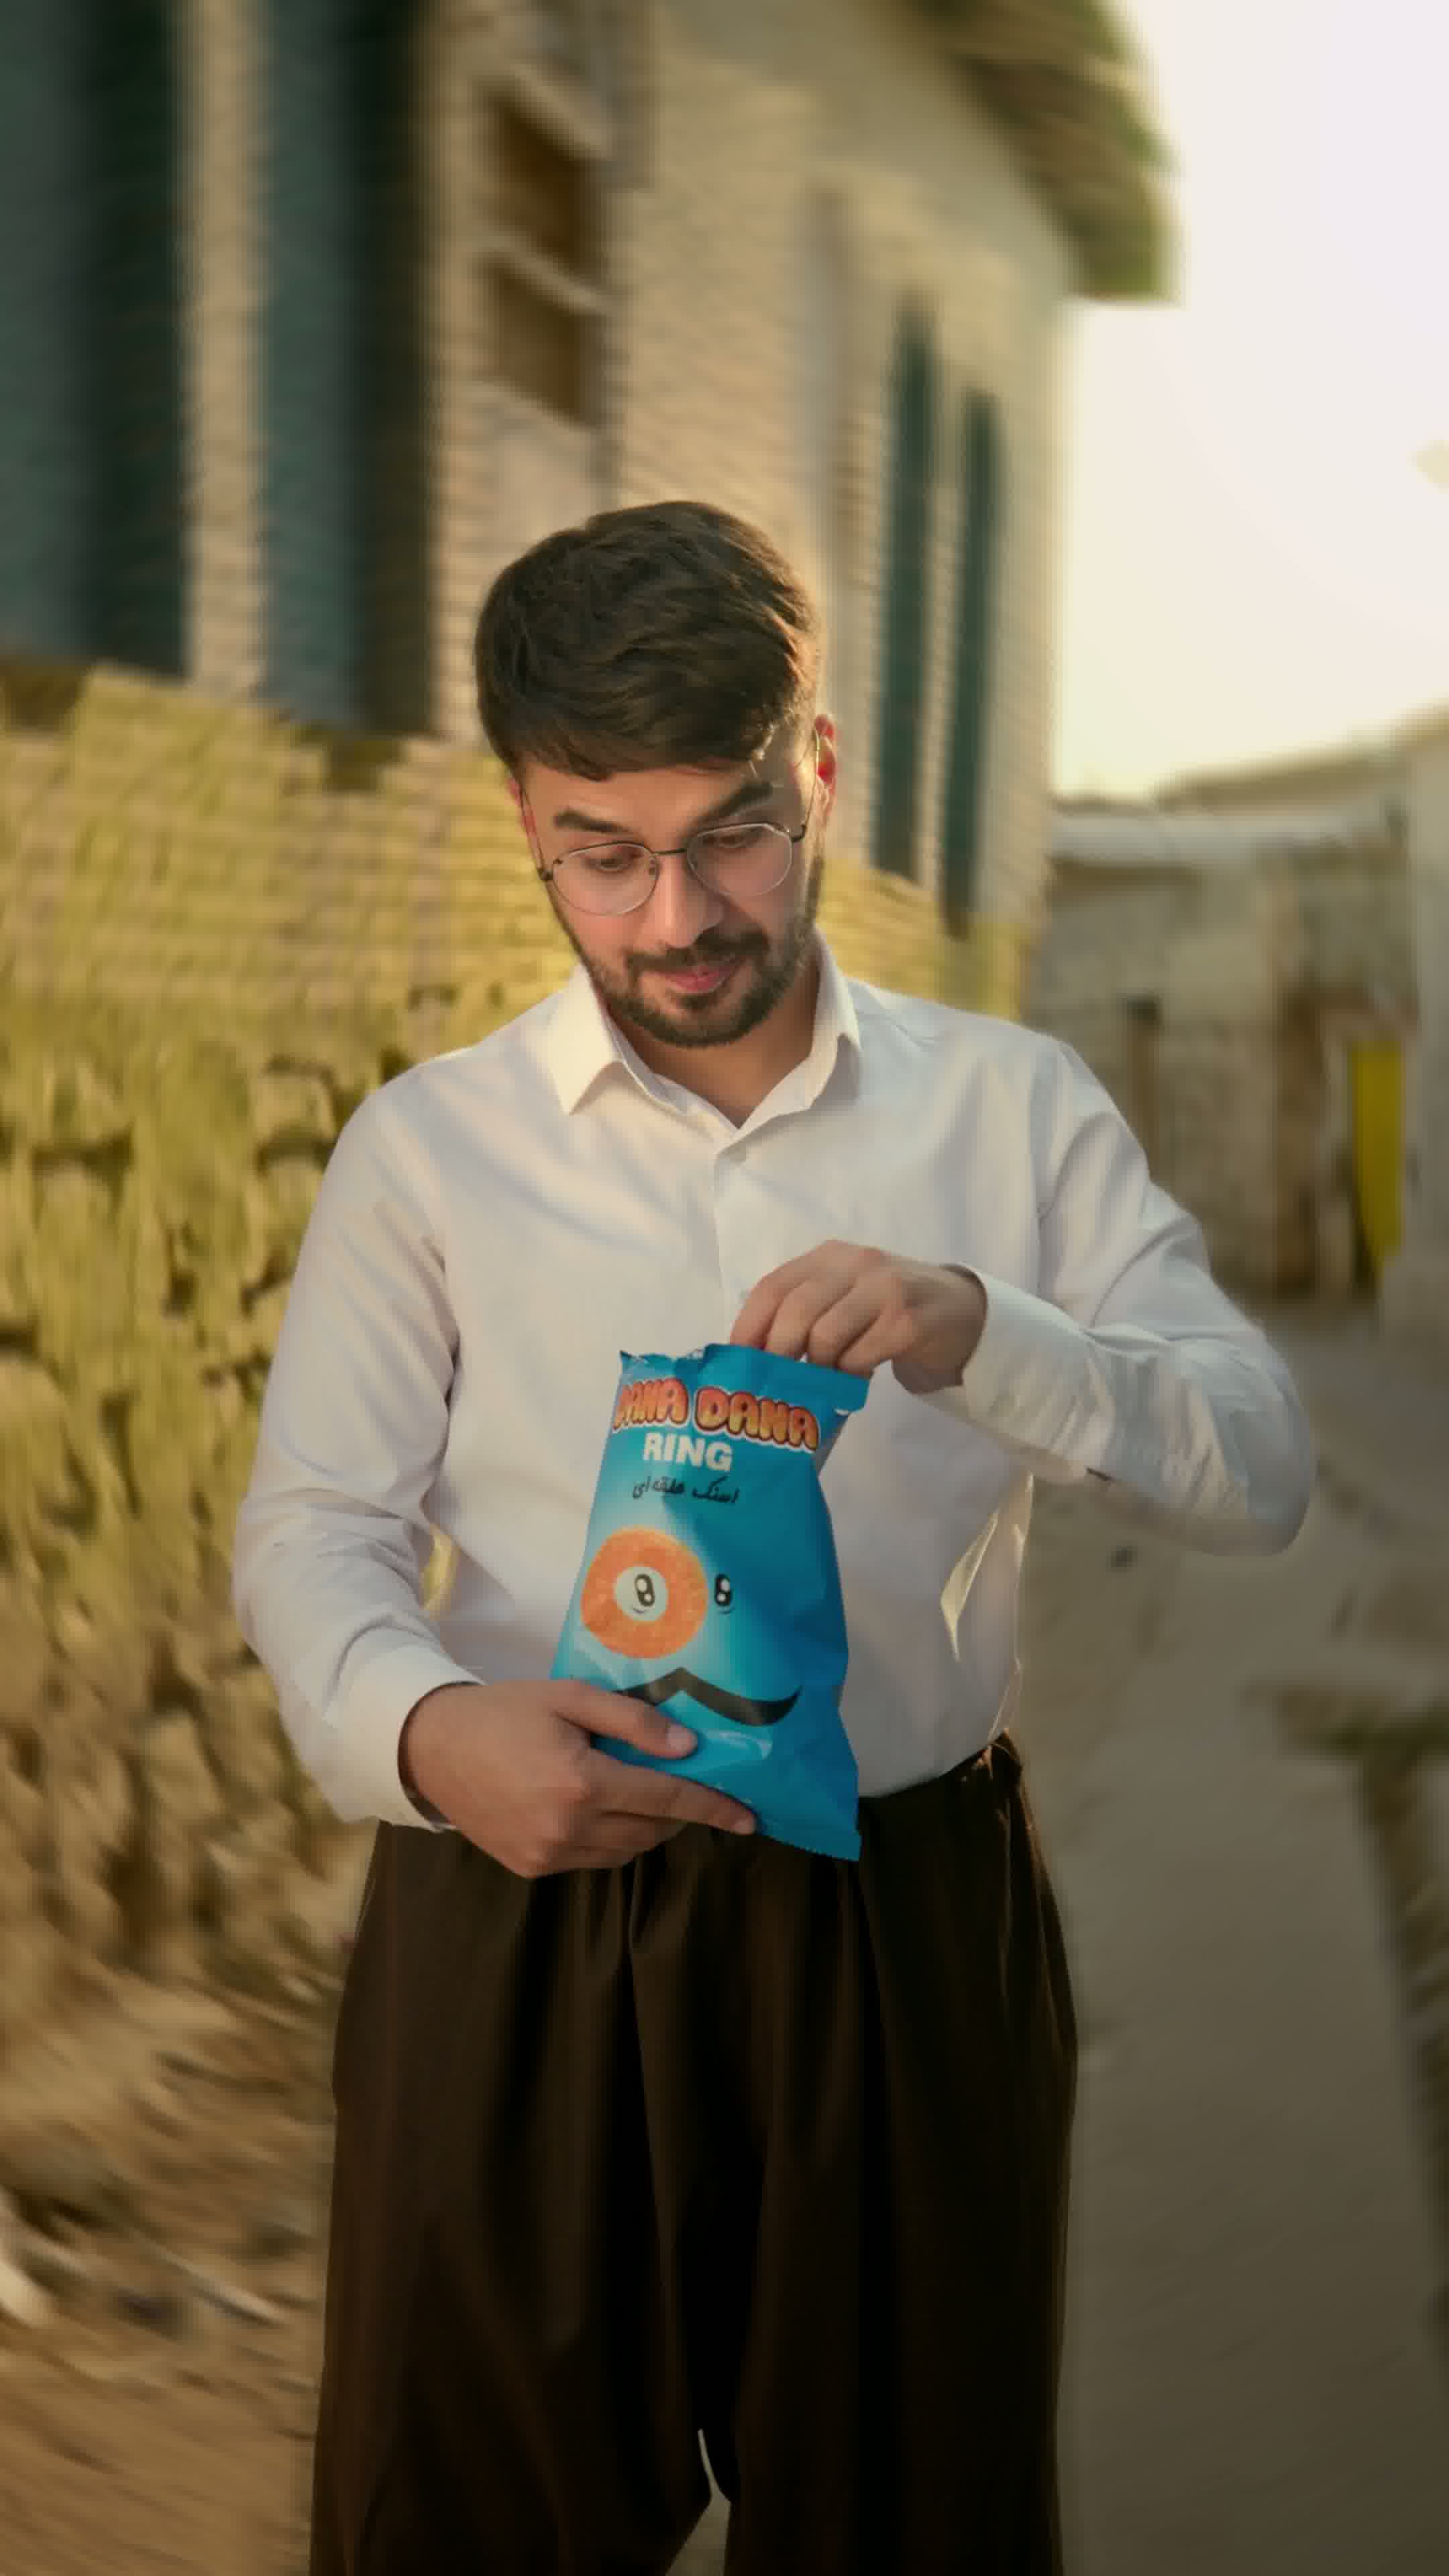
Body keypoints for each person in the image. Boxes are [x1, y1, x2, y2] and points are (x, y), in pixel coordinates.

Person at [233, 500, 1314, 2575]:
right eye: (600, 852)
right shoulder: (428, 1155)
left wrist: (987, 1333)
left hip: (901, 1940)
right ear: (529, 830)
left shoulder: (1012, 1117)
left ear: (818, 768)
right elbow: (314, 1534)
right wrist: (429, 1738)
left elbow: (1258, 1466)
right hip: (516, 1920)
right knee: (461, 2525)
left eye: (730, 829)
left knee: (918, 2527)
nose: (673, 915)